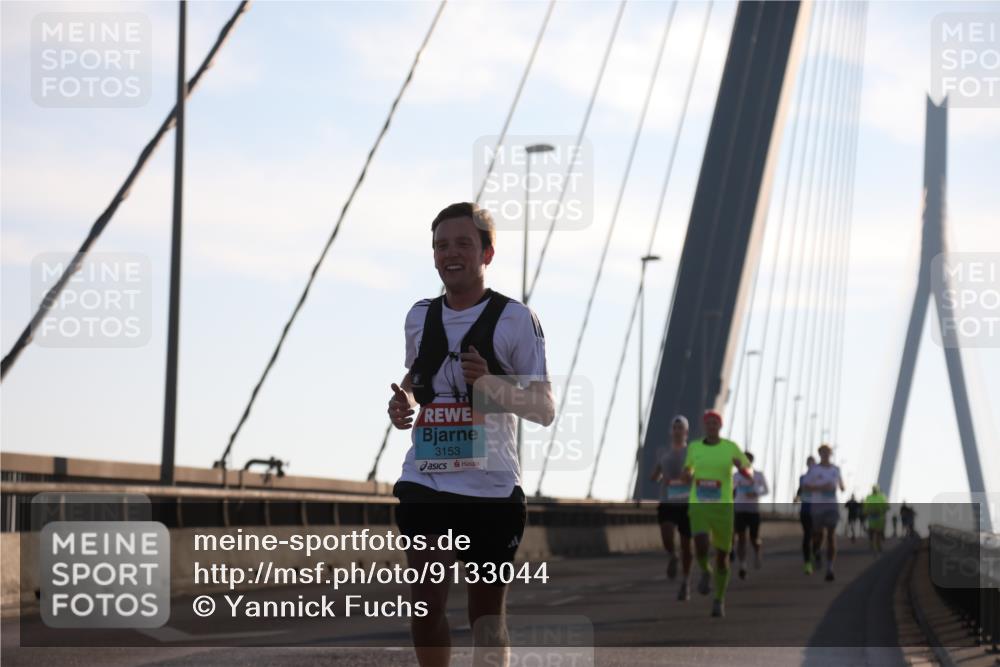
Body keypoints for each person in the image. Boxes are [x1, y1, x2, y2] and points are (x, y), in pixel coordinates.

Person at [387, 202, 554, 667]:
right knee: (425, 606)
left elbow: (544, 408)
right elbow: (418, 381)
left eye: (463, 243)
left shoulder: (516, 319)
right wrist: (405, 404)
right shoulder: (419, 316)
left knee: (486, 617)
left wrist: (490, 384)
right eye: (441, 245)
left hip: (492, 488)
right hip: (427, 479)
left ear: (487, 254)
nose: (450, 253)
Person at [682, 410, 753, 618]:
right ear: (705, 426)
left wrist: (742, 469)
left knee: (722, 556)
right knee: (701, 544)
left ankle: (719, 599)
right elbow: (688, 468)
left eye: (715, 422)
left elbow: (749, 474)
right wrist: (687, 474)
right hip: (699, 504)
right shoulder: (694, 447)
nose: (712, 425)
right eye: (708, 422)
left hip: (723, 507)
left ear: (720, 426)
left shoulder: (730, 447)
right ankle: (705, 570)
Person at [650, 415, 694, 601]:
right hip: (667, 501)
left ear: (686, 432)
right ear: (671, 431)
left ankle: (685, 582)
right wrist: (659, 478)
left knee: (686, 546)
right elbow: (655, 475)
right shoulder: (662, 451)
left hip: (686, 503)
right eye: (674, 427)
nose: (677, 430)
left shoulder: (692, 452)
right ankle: (671, 555)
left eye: (680, 427)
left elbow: (695, 475)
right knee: (667, 536)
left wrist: (688, 478)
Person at [800, 444, 845, 582]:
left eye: (828, 452)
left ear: (830, 454)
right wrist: (821, 487)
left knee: (831, 535)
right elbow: (804, 486)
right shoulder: (814, 469)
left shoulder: (836, 469)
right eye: (823, 452)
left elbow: (842, 486)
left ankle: (830, 568)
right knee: (818, 535)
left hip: (831, 506)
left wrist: (840, 486)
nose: (825, 454)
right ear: (819, 453)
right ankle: (817, 551)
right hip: (817, 507)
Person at [732, 452, 769, 579]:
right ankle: (742, 566)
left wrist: (755, 493)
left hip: (753, 510)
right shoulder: (736, 476)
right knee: (741, 539)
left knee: (754, 539)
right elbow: (730, 490)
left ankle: (757, 551)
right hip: (739, 509)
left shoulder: (758, 475)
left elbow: (766, 490)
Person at [794, 456, 818, 574]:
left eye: (813, 463)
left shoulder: (819, 478)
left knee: (816, 535)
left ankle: (815, 552)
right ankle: (807, 563)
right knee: (807, 535)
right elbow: (800, 489)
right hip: (805, 509)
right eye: (809, 463)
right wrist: (797, 497)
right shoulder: (802, 477)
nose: (811, 465)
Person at [863, 484, 889, 555]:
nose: (874, 490)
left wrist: (884, 510)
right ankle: (872, 544)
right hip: (872, 516)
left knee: (877, 531)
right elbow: (865, 505)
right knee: (872, 531)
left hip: (879, 516)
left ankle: (878, 545)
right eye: (874, 489)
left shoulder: (882, 496)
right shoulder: (869, 497)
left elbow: (886, 506)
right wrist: (866, 512)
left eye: (875, 489)